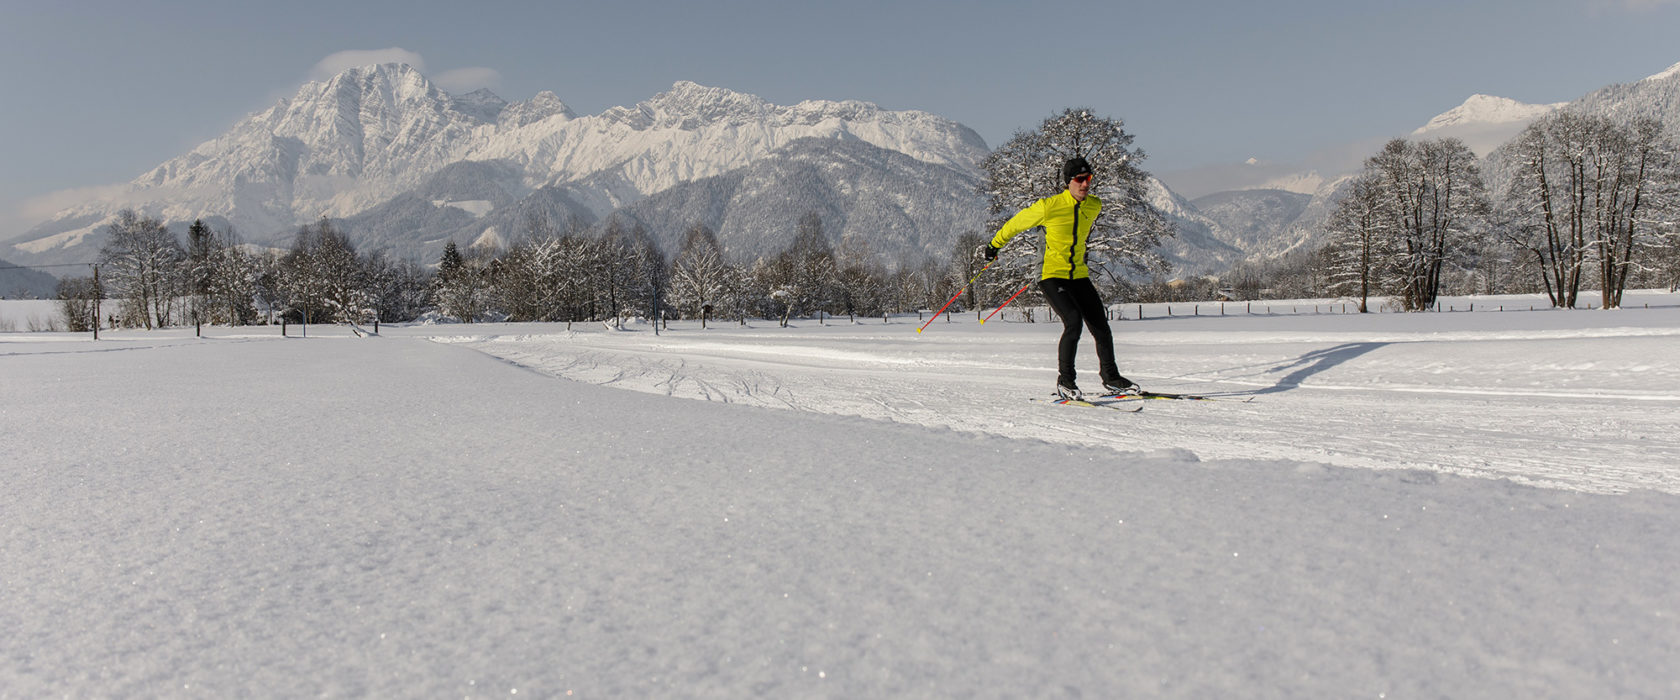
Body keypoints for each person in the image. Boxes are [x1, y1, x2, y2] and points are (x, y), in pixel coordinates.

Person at [982, 156, 1138, 401]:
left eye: (1088, 179)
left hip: (1078, 275)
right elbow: (1015, 224)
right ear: (1069, 182)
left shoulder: (1094, 206)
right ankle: (1066, 381)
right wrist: (994, 245)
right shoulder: (1049, 206)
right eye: (1079, 179)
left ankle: (1111, 378)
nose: (1085, 184)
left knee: (1100, 325)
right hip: (1051, 275)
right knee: (1073, 322)